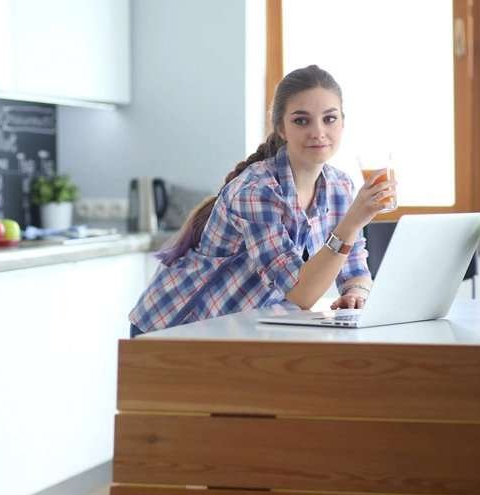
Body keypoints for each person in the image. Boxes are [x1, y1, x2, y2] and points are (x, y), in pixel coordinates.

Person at [129, 65, 396, 337]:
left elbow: (355, 270)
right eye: (301, 121)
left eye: (329, 119)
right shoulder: (257, 190)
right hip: (173, 327)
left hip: (239, 328)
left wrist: (356, 293)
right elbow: (300, 293)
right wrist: (353, 221)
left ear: (342, 123)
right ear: (281, 128)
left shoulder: (340, 187)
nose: (318, 132)